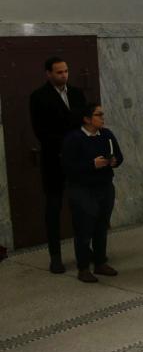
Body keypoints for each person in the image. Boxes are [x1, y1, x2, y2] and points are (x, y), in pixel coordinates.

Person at [29, 56, 87, 273]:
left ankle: (84, 249)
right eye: (59, 72)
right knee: (53, 208)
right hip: (54, 159)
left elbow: (83, 123)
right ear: (48, 74)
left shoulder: (76, 94)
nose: (64, 75)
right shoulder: (38, 97)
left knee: (81, 206)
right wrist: (68, 140)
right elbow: (42, 131)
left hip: (78, 160)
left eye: (66, 71)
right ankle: (55, 256)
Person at [60, 103, 123, 283]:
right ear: (87, 119)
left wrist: (114, 161)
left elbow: (119, 156)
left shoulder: (107, 135)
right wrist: (91, 165)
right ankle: (83, 267)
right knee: (84, 228)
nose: (102, 118)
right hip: (82, 189)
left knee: (102, 227)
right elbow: (68, 166)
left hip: (104, 186)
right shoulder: (74, 138)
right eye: (98, 115)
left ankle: (100, 262)